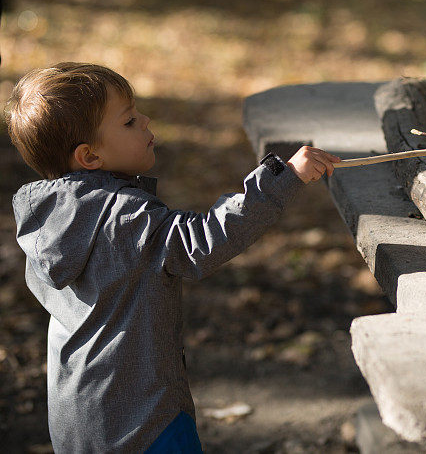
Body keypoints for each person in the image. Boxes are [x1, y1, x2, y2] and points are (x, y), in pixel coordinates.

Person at [5, 62, 340, 452]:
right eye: (129, 122)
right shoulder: (124, 217)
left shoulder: (48, 221)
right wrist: (282, 178)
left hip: (77, 420)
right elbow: (204, 239)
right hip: (145, 421)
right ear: (89, 156)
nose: (145, 120)